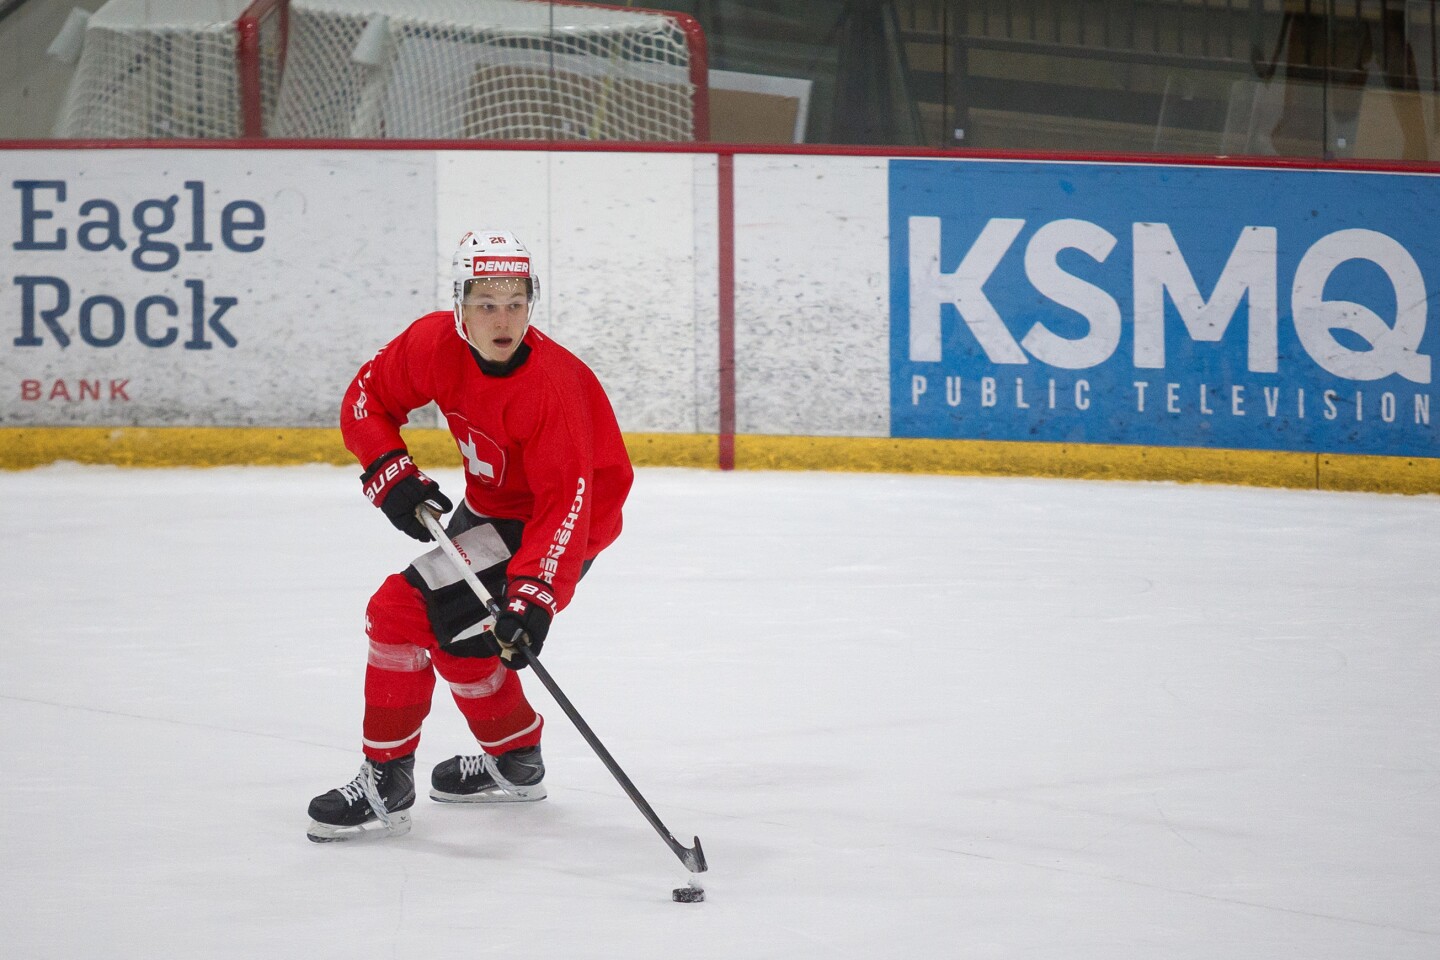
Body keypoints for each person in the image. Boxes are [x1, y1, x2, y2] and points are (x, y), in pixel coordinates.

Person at [306, 229, 634, 842]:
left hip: (559, 526)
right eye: (486, 303)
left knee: (400, 612)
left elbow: (565, 508)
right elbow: (366, 399)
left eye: (515, 303)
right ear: (459, 304)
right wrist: (389, 470)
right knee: (462, 637)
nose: (502, 320)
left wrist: (533, 596)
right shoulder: (434, 343)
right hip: (489, 512)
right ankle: (515, 758)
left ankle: (386, 782)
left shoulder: (553, 389)